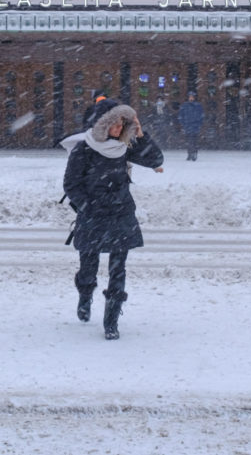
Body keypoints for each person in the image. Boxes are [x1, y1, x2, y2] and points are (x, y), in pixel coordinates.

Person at [62, 104, 164, 340]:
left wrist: (140, 134)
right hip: (93, 216)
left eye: (122, 125)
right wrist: (88, 207)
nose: (119, 129)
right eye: (115, 124)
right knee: (88, 266)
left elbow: (156, 158)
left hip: (121, 215)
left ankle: (111, 320)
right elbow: (71, 184)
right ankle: (85, 296)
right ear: (102, 125)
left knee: (118, 269)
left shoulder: (124, 147)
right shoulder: (84, 149)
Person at [178, 91, 204, 160]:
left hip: (195, 126)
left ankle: (194, 153)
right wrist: (183, 124)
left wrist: (199, 124)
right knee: (189, 141)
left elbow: (201, 116)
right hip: (187, 126)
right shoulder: (184, 105)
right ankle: (189, 154)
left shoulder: (198, 106)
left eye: (192, 97)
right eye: (190, 97)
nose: (191, 98)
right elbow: (181, 115)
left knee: (194, 141)